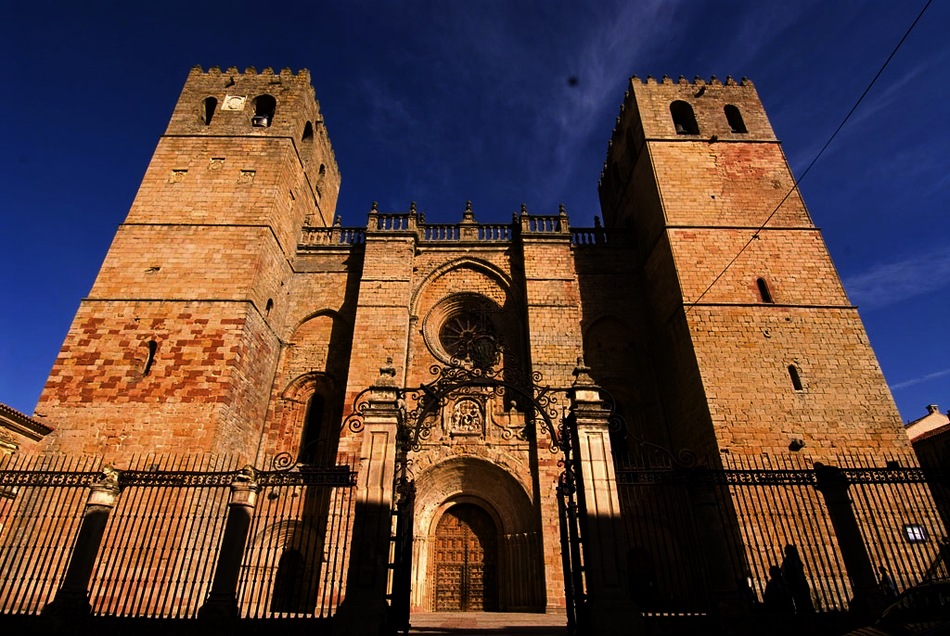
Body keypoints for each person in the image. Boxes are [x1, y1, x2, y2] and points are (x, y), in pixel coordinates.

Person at [781, 544, 814, 613]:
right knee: (801, 603)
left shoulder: (794, 561)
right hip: (796, 585)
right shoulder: (788, 562)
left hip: (800, 584)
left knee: (805, 603)